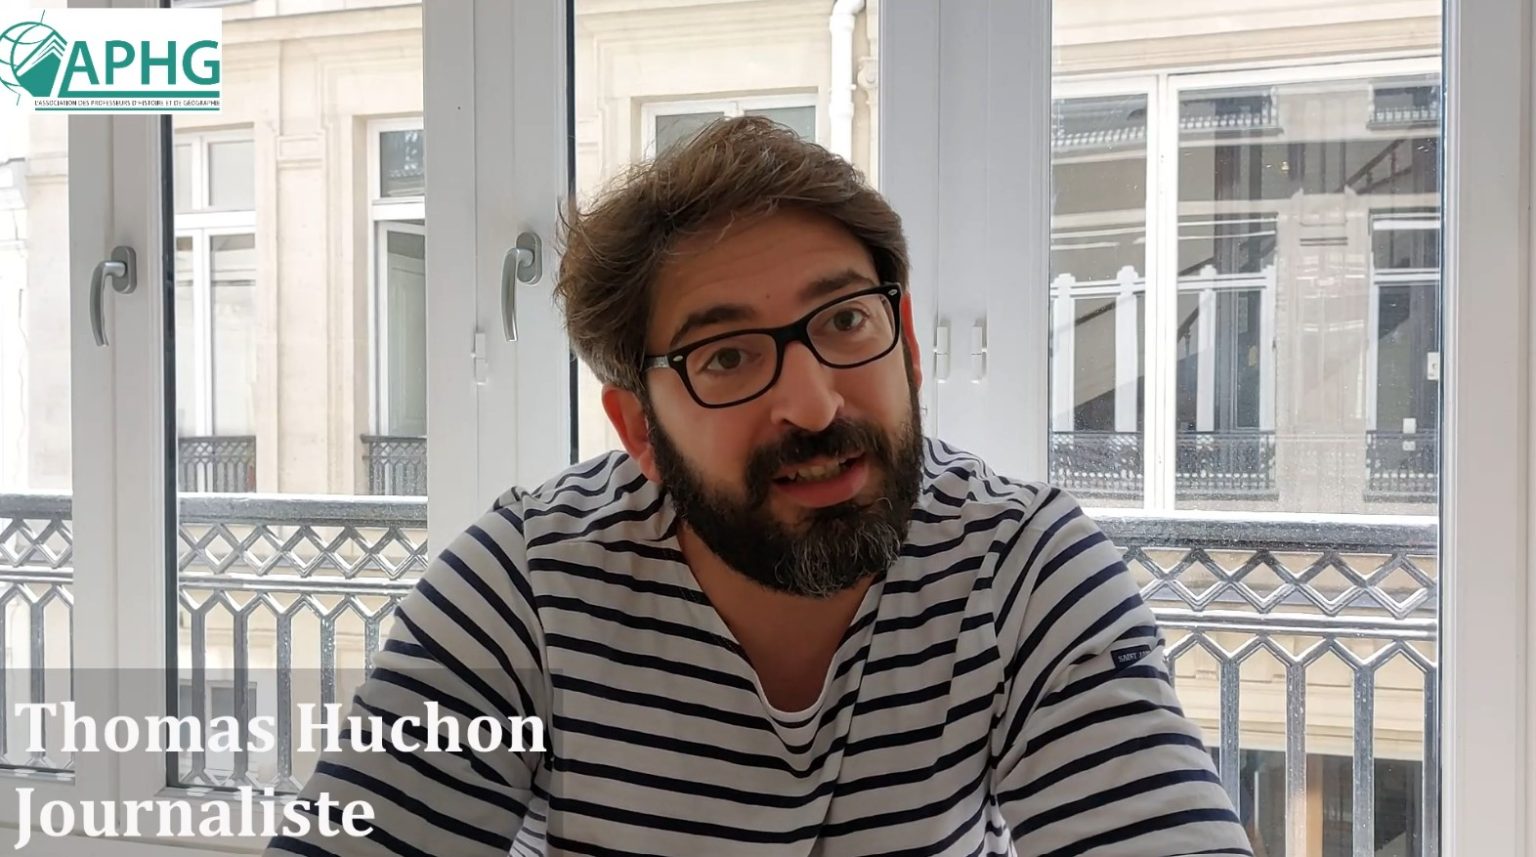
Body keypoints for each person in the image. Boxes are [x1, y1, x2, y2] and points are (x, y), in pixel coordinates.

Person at [264, 116, 1251, 856]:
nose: (814, 404)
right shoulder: (527, 583)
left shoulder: (1018, 567)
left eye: (847, 321)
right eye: (728, 356)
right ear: (640, 432)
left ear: (907, 346)